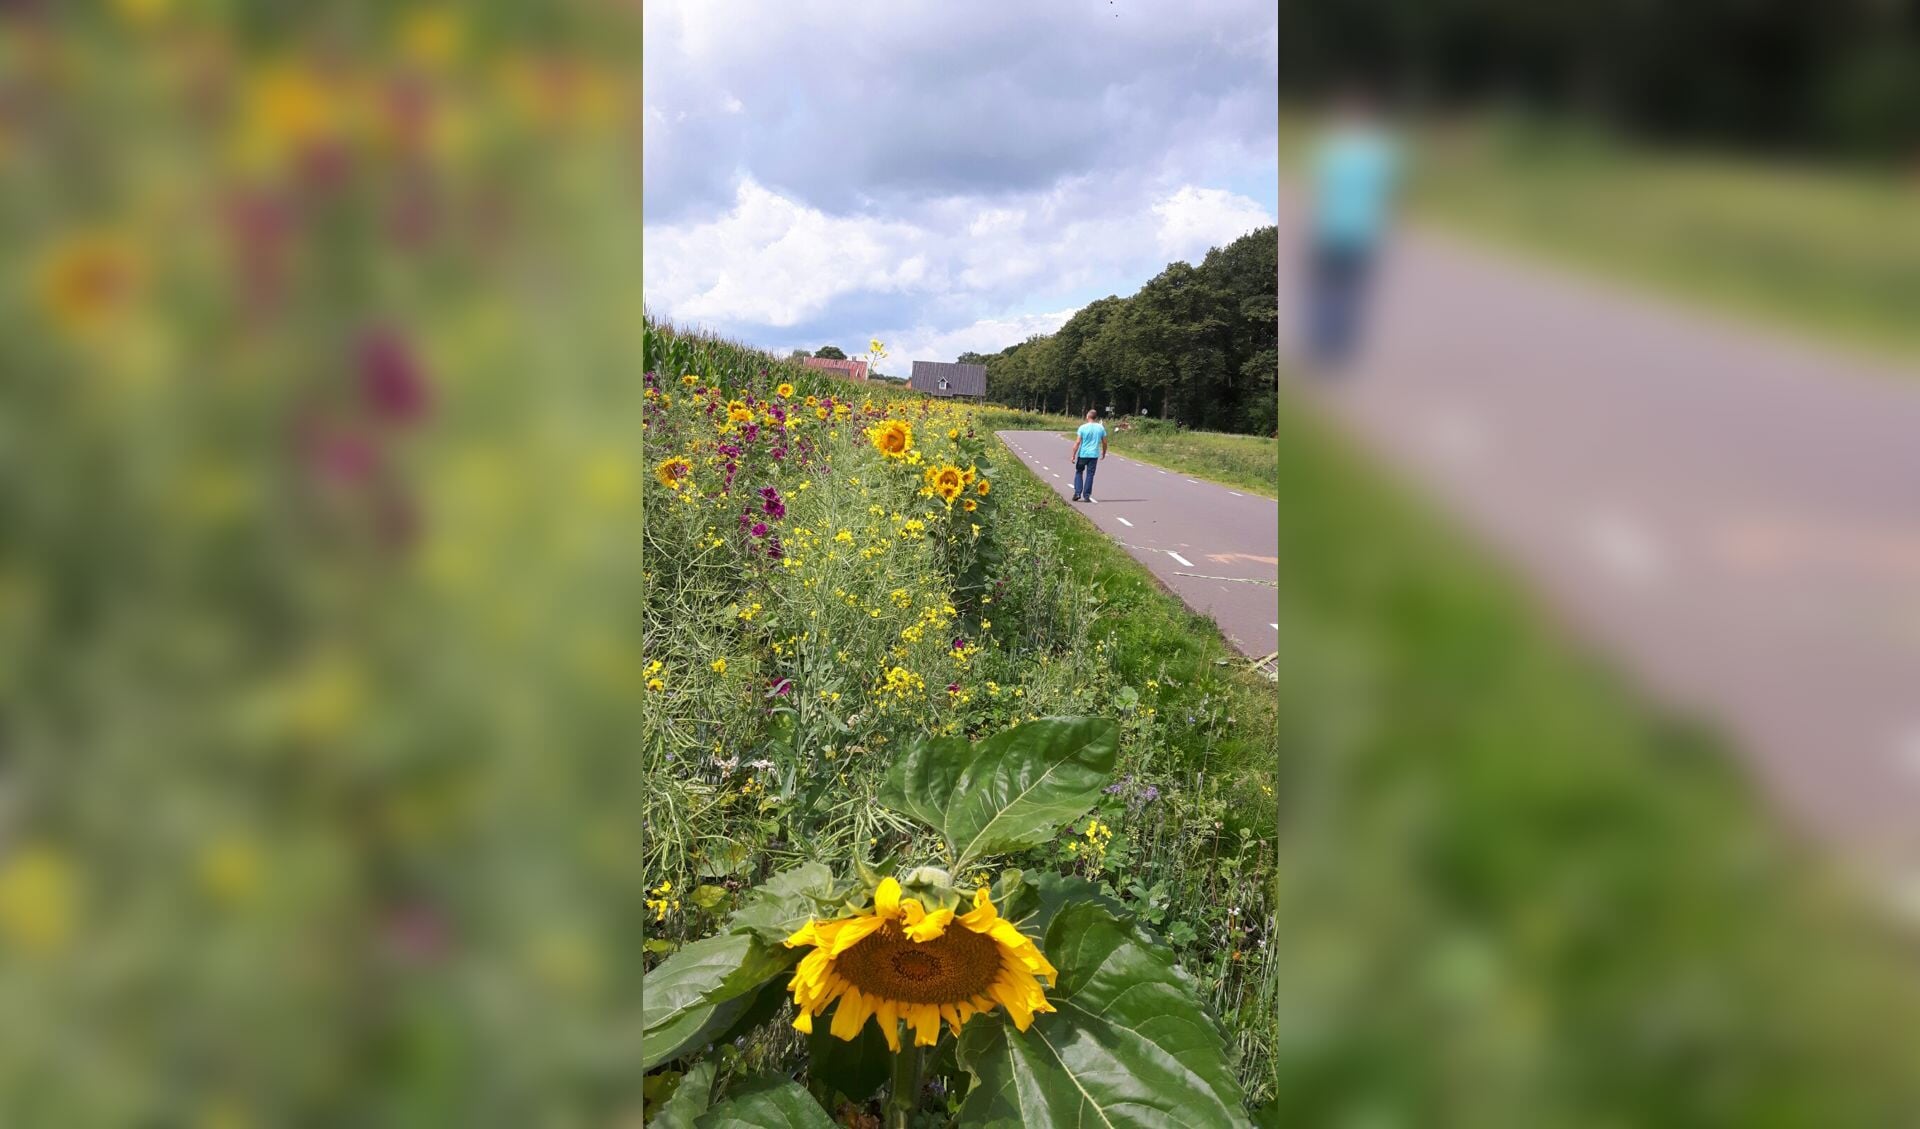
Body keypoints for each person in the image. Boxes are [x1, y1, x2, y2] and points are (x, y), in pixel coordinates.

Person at [1302, 87, 1400, 371]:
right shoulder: (1381, 153)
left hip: (1335, 231)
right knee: (1350, 294)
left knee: (1332, 292)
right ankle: (1341, 350)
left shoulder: (1333, 151)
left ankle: (1327, 349)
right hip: (1360, 234)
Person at [1070, 409, 1107, 503]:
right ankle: (1087, 495)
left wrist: (1073, 455)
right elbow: (1104, 442)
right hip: (1094, 455)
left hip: (1083, 454)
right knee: (1090, 474)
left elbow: (1078, 442)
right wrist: (1103, 452)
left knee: (1079, 472)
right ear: (1095, 417)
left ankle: (1077, 493)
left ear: (1088, 416)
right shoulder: (1100, 428)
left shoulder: (1082, 427)